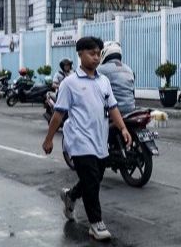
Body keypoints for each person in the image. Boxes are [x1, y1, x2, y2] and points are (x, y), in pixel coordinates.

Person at [41, 36, 132, 241]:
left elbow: (113, 107)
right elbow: (58, 114)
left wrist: (123, 128)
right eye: (92, 53)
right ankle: (96, 224)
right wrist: (48, 140)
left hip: (100, 140)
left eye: (99, 53)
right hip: (79, 141)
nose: (96, 57)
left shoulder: (104, 81)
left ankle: (70, 196)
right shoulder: (70, 83)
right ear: (80, 54)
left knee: (93, 179)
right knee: (91, 180)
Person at [96, 41, 136, 115]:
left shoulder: (100, 69)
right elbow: (132, 92)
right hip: (131, 109)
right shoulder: (129, 69)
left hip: (113, 112)